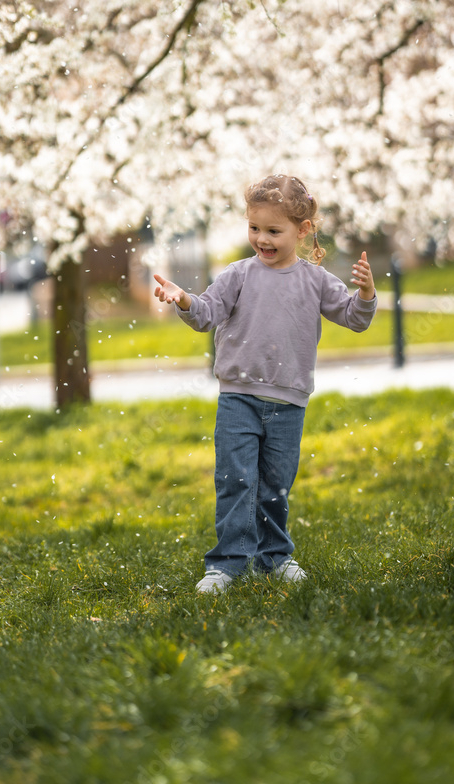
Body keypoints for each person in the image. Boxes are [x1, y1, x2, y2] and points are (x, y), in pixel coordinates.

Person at [153, 174, 377, 593]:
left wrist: (365, 294)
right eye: (255, 228)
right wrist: (183, 299)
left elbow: (353, 319)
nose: (262, 239)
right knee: (236, 480)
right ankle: (227, 563)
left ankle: (273, 558)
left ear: (303, 230)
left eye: (274, 230)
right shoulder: (238, 275)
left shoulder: (316, 281)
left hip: (289, 402)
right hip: (238, 398)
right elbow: (206, 314)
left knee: (275, 485)